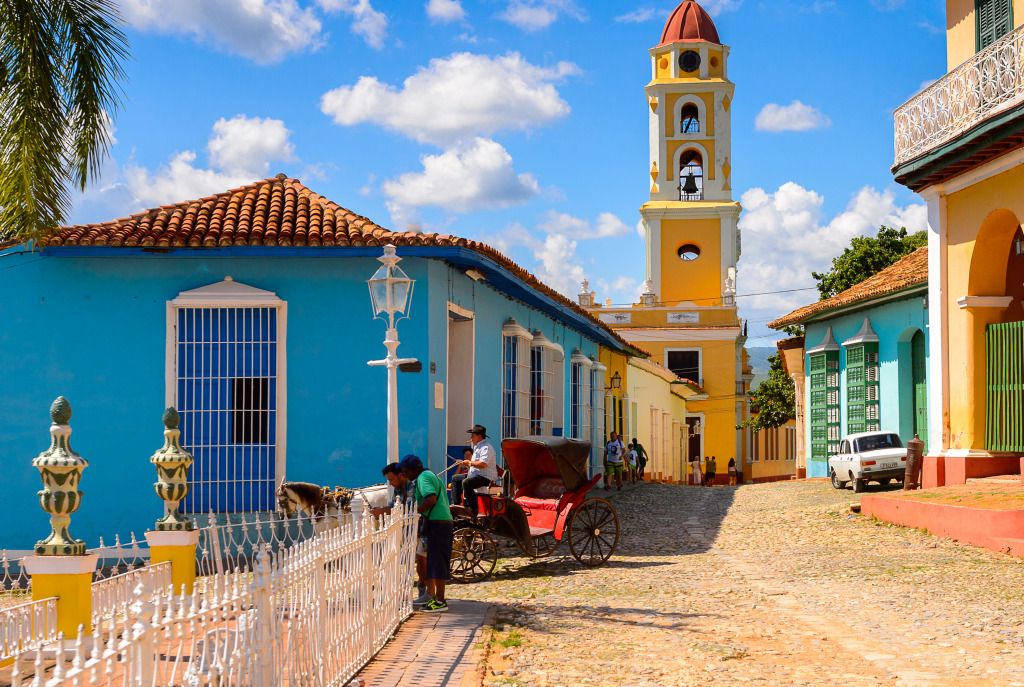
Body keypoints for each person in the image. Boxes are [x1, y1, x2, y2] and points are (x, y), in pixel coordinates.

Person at [400, 454, 453, 613]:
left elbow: (431, 500)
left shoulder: (423, 478)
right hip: (440, 521)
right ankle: (436, 598)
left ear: (413, 470)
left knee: (437, 563)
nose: (405, 476)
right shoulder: (429, 475)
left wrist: (412, 512)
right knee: (435, 562)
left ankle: (440, 601)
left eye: (405, 472)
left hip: (438, 522)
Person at [375, 463, 429, 606]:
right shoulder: (398, 490)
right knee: (412, 559)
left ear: (400, 475)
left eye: (391, 479)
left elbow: (409, 507)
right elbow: (395, 506)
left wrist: (383, 511)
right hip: (408, 529)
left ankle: (425, 591)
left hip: (423, 526)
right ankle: (413, 590)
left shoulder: (414, 485)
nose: (390, 483)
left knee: (422, 560)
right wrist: (381, 510)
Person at [450, 424, 498, 517]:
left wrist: (470, 463)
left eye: (473, 436)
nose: (471, 437)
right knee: (455, 478)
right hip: (476, 475)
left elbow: (483, 464)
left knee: (466, 482)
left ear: (479, 437)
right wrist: (465, 463)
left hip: (486, 477)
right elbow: (474, 465)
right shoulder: (477, 447)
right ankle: (455, 505)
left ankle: (473, 509)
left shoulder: (486, 447)